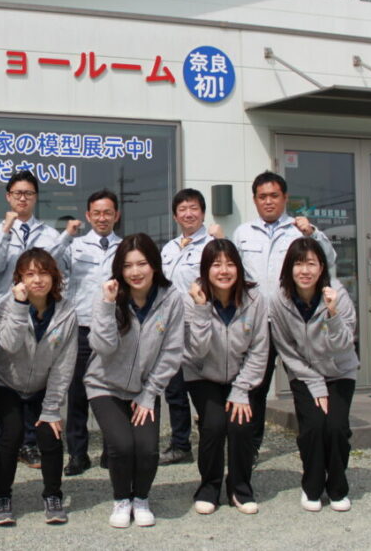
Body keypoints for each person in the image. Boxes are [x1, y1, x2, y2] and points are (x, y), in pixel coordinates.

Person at [231, 171, 337, 457]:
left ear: (285, 198)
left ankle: (313, 450)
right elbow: (233, 276)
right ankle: (249, 450)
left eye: (274, 196)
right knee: (255, 387)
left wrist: (313, 233)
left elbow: (328, 261)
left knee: (305, 383)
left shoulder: (298, 230)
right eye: (262, 197)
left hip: (294, 322)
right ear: (254, 200)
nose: (268, 202)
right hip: (256, 326)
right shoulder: (243, 233)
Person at [85, 233, 184, 528]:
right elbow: (102, 348)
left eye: (142, 263)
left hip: (145, 387)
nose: (135, 272)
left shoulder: (171, 299)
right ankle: (121, 500)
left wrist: (149, 393)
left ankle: (141, 498)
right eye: (128, 266)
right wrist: (106, 304)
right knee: (122, 445)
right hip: (104, 385)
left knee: (148, 449)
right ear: (120, 269)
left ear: (154, 265)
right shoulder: (109, 296)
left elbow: (172, 351)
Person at [0, 170, 69, 470]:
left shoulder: (47, 234)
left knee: (36, 378)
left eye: (28, 194)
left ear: (35, 198)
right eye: (17, 193)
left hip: (40, 312)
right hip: (4, 312)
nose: (22, 198)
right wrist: (6, 231)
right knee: (2, 379)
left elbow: (57, 271)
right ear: (8, 197)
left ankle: (30, 443)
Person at [0, 248, 77, 526]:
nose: (37, 280)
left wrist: (51, 408)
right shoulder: (7, 306)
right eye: (29, 274)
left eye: (43, 273)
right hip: (7, 383)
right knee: (11, 436)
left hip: (42, 387)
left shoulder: (66, 312)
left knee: (50, 437)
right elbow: (9, 345)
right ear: (19, 279)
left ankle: (53, 495)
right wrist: (17, 305)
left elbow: (64, 365)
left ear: (54, 276)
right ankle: (2, 496)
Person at [270, 237, 357, 513]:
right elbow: (286, 349)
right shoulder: (280, 300)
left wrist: (331, 313)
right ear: (289, 268)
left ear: (321, 268)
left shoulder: (338, 295)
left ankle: (338, 487)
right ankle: (312, 485)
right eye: (298, 263)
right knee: (312, 428)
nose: (304, 270)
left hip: (339, 372)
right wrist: (315, 383)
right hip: (304, 374)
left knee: (336, 428)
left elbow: (344, 344)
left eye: (311, 263)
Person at [183, 239, 269, 515]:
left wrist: (241, 389)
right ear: (205, 269)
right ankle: (209, 487)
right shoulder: (192, 300)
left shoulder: (255, 300)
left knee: (241, 424)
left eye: (230, 264)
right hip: (201, 375)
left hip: (241, 376)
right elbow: (196, 352)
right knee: (214, 425)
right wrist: (201, 309)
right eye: (216, 264)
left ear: (239, 268)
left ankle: (240, 487)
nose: (224, 271)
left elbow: (259, 350)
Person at [57, 189, 122, 476]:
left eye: (108, 212)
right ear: (88, 216)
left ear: (117, 215)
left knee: (112, 391)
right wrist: (65, 235)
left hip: (113, 328)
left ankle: (112, 451)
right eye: (96, 213)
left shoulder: (126, 248)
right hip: (81, 326)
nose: (102, 218)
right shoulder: (75, 246)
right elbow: (49, 261)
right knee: (77, 394)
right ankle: (78, 455)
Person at [158, 188, 224, 466]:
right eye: (183, 209)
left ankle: (213, 440)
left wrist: (221, 240)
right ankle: (180, 444)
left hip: (200, 323)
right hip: (171, 326)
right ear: (175, 215)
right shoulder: (169, 247)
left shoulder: (212, 244)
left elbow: (226, 274)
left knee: (203, 385)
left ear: (203, 212)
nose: (188, 213)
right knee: (174, 389)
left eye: (194, 208)